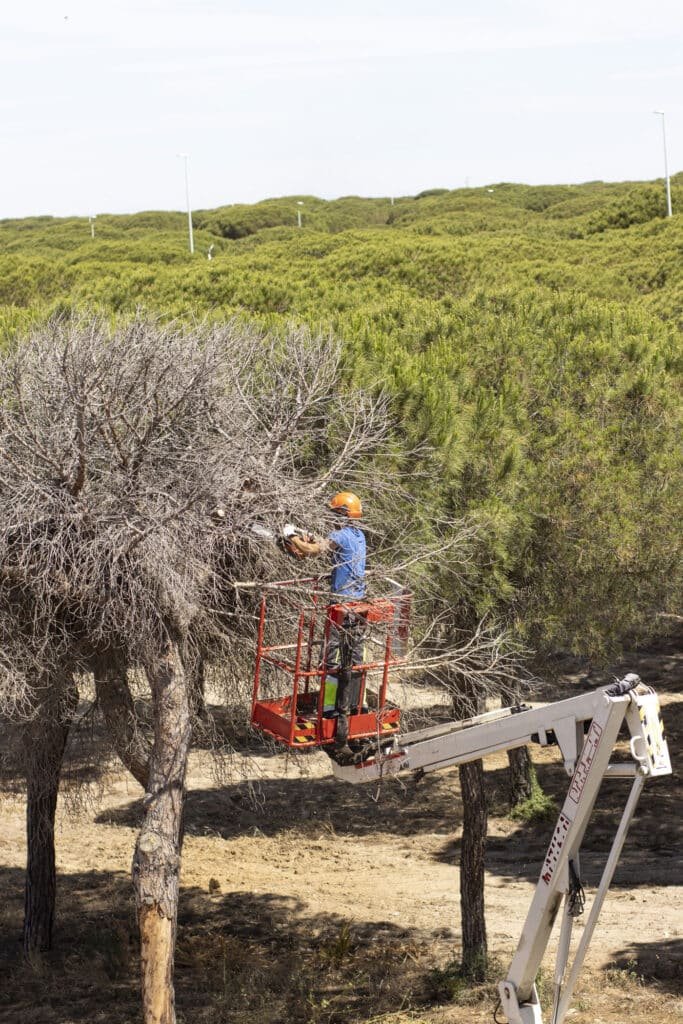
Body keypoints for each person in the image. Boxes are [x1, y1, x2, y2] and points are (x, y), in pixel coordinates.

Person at [285, 492, 367, 754]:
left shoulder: (341, 536)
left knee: (331, 661)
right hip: (358, 606)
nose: (330, 517)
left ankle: (331, 710)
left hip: (340, 607)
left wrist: (292, 536)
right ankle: (353, 707)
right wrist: (308, 538)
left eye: (333, 513)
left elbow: (313, 550)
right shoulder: (358, 536)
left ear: (341, 514)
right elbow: (328, 546)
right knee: (354, 661)